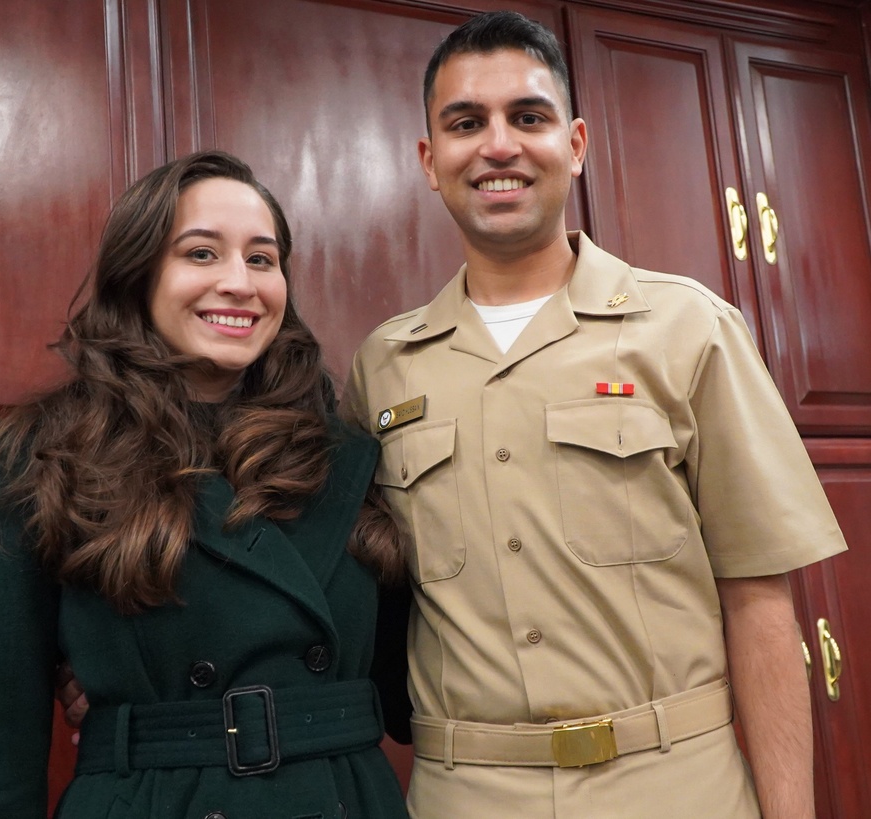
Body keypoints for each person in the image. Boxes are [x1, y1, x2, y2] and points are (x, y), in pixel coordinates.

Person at [343, 11, 847, 819]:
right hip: (463, 795)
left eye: (529, 117)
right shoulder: (382, 366)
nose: (499, 145)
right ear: (430, 162)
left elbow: (759, 601)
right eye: (467, 123)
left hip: (675, 788)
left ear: (575, 145)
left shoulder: (689, 327)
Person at [0, 150, 410, 819]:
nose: (239, 282)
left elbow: (413, 690)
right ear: (138, 275)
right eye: (200, 254)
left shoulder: (347, 454)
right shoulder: (44, 454)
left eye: (261, 258)